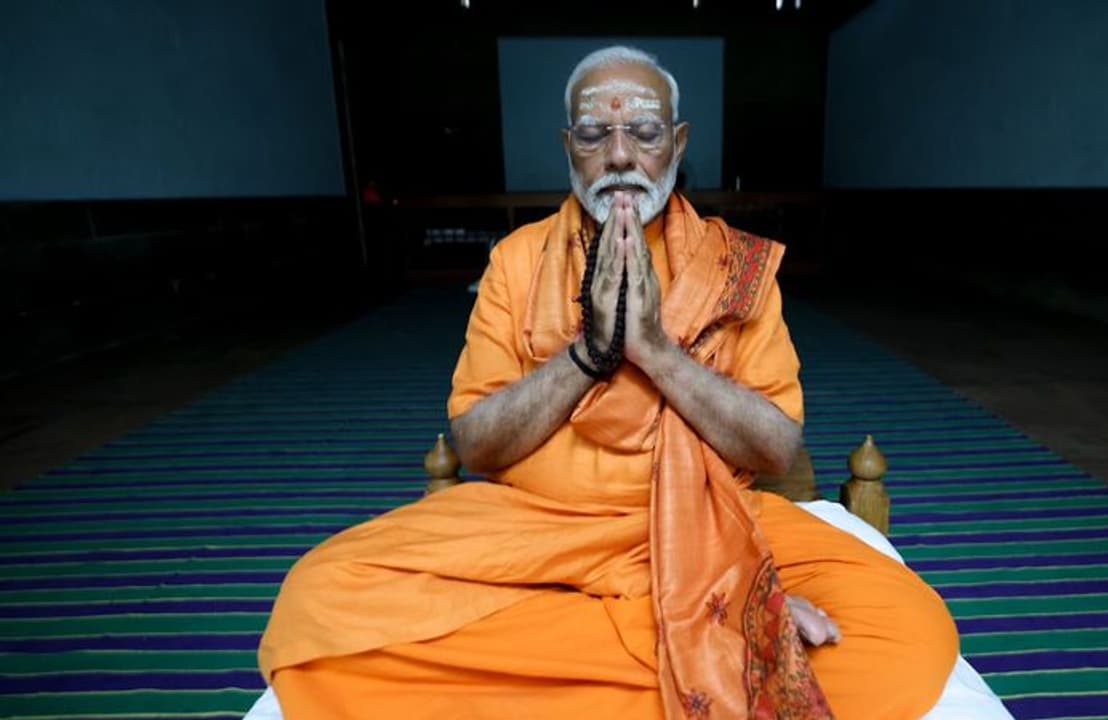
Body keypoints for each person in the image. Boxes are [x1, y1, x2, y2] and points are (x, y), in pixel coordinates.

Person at [258, 46, 958, 719]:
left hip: (712, 530)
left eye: (644, 132)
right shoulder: (518, 261)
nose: (620, 156)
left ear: (677, 145)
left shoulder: (735, 267)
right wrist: (589, 352)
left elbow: (777, 448)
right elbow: (476, 445)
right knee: (319, 595)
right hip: (536, 529)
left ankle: (642, 630)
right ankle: (690, 634)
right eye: (595, 133)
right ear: (569, 147)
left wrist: (656, 351)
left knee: (907, 628)